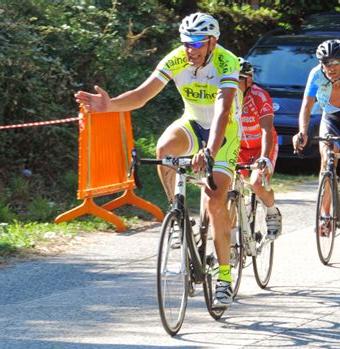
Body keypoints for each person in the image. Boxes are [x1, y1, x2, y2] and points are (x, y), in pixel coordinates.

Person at [75, 12, 241, 307]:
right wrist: (110, 105)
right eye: (186, 43)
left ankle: (225, 279)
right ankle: (177, 211)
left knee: (215, 198)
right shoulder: (177, 58)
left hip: (223, 131)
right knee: (164, 150)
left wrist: (209, 152)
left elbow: (223, 112)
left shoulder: (227, 62)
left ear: (212, 42)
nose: (190, 50)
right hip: (192, 122)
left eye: (197, 44)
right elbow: (142, 95)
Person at [293, 39, 340, 236]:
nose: (331, 67)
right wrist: (302, 131)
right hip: (331, 117)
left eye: (335, 62)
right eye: (327, 62)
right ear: (321, 63)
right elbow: (307, 106)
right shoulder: (315, 75)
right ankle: (325, 216)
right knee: (327, 157)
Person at [237, 58, 282, 240]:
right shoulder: (225, 96)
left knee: (256, 183)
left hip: (262, 146)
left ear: (248, 80)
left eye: (238, 79)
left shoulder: (260, 97)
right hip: (239, 148)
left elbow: (266, 130)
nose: (233, 83)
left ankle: (272, 212)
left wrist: (264, 157)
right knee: (227, 185)